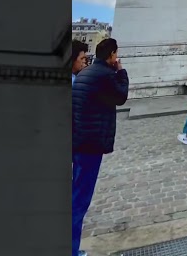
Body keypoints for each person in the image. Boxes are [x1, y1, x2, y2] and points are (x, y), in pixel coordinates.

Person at [72, 38, 129, 256]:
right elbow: (121, 96)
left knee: (75, 195)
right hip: (91, 144)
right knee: (79, 201)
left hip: (79, 141)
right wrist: (121, 72)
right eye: (116, 54)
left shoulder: (83, 74)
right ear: (112, 54)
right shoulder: (104, 75)